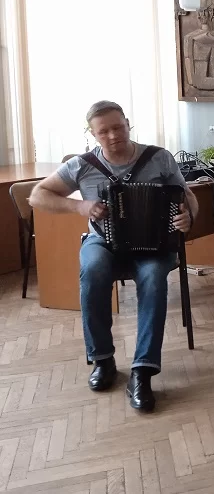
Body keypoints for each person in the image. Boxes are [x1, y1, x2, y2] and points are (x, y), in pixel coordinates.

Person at [29, 101, 198, 412]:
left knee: (153, 278)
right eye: (103, 131)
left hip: (154, 244)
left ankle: (142, 372)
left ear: (128, 123)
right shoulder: (82, 165)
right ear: (92, 134)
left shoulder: (158, 157)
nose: (112, 135)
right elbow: (37, 195)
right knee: (92, 269)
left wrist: (188, 217)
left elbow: (186, 196)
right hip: (102, 241)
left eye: (118, 127)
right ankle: (103, 360)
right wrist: (79, 206)